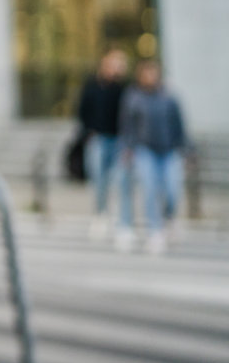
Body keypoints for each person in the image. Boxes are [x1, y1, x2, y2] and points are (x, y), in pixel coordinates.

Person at [115, 59, 189, 255]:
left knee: (173, 189)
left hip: (169, 150)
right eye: (146, 73)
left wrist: (186, 150)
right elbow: (126, 126)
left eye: (153, 72)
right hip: (144, 150)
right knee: (150, 189)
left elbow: (179, 125)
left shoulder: (169, 97)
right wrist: (126, 149)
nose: (150, 77)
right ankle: (154, 231)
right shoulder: (133, 98)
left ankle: (169, 217)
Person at [76, 47, 129, 239]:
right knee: (98, 180)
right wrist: (88, 132)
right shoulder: (92, 85)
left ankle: (120, 218)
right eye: (113, 64)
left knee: (119, 180)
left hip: (119, 141)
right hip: (98, 138)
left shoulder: (124, 88)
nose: (115, 68)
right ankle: (100, 214)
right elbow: (82, 110)